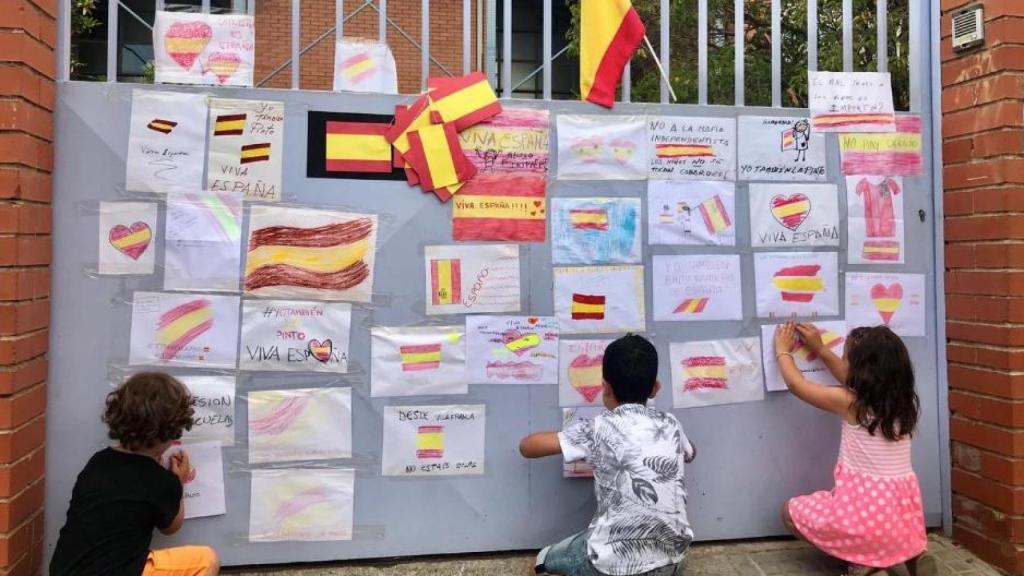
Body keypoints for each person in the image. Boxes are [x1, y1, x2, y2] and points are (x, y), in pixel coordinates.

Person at [520, 334, 695, 576]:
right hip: (673, 560)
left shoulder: (597, 428)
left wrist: (567, 437)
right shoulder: (671, 424)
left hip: (612, 565)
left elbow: (527, 447)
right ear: (655, 388)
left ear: (605, 387)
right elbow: (691, 452)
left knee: (542, 562)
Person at [773, 323, 935, 576]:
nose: (843, 363)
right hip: (902, 522)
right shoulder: (903, 405)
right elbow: (850, 378)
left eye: (845, 357)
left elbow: (797, 385)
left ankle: (865, 566)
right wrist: (821, 349)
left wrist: (783, 351)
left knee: (789, 512)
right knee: (889, 530)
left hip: (861, 519)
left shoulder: (850, 404)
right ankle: (914, 556)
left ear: (862, 371)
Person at [49, 372, 220, 576]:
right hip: (117, 572)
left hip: (64, 570)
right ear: (171, 434)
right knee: (206, 560)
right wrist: (178, 481)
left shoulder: (98, 462)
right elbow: (171, 526)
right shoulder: (161, 480)